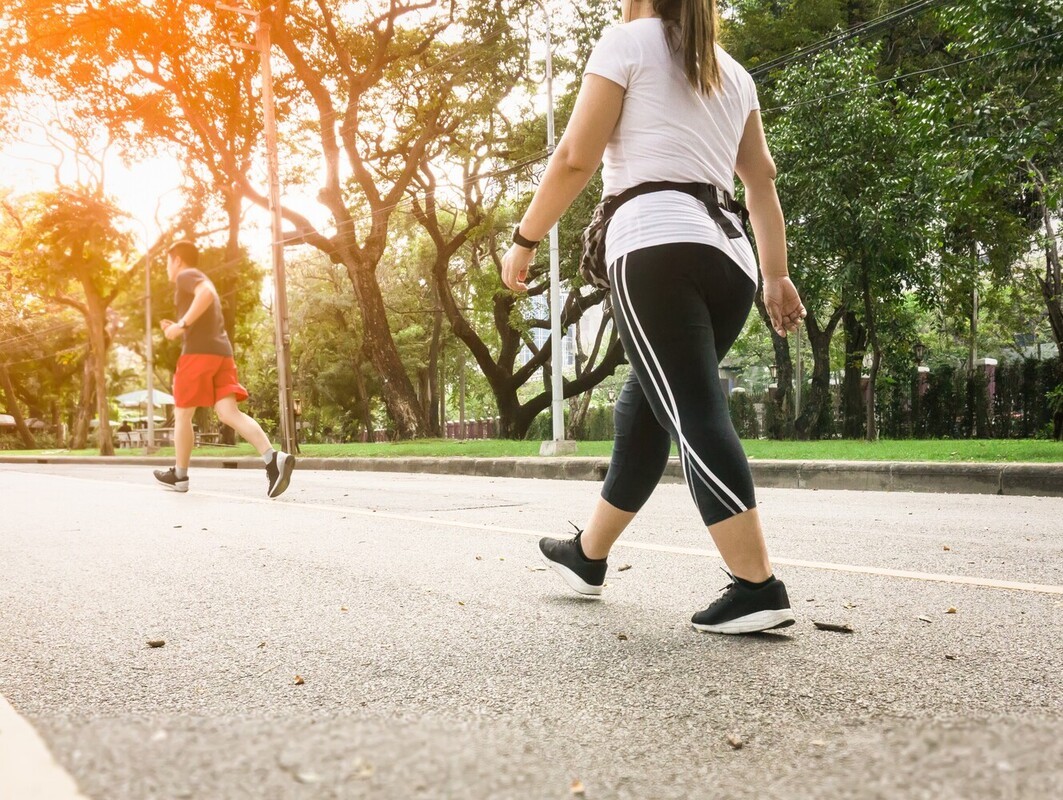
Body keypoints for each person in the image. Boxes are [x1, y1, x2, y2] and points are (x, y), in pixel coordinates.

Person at [501, 0, 805, 634]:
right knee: (643, 408)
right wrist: (775, 274)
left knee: (692, 411)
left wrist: (525, 239)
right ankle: (589, 556)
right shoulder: (732, 71)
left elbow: (575, 159)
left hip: (654, 247)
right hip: (732, 264)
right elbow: (761, 182)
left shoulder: (626, 42)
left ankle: (757, 587)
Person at [153, 241, 295, 497]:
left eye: (166, 262)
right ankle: (273, 459)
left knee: (183, 414)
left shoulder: (186, 275)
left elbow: (206, 293)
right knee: (228, 411)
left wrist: (181, 325)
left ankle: (179, 476)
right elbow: (205, 302)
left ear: (177, 260)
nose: (166, 268)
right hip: (221, 352)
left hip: (198, 354)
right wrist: (178, 326)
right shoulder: (192, 278)